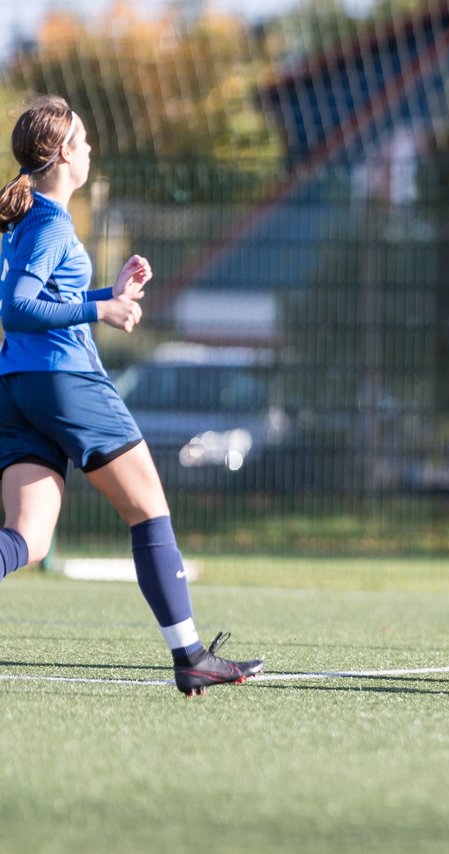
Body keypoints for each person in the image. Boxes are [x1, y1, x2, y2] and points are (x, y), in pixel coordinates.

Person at [0, 95, 263, 696]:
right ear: (63, 152)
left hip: (16, 388)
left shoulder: (28, 223)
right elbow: (18, 308)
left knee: (29, 539)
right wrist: (105, 307)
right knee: (148, 509)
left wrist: (103, 295)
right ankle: (191, 655)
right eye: (84, 141)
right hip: (64, 382)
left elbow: (36, 296)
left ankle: (192, 654)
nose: (91, 149)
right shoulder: (49, 220)